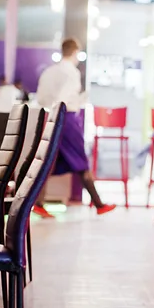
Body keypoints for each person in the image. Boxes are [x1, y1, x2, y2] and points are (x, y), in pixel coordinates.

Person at [35, 38, 116, 218]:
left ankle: (38, 202)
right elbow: (63, 98)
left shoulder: (49, 71)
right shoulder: (71, 72)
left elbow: (42, 99)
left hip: (51, 118)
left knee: (49, 162)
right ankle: (99, 204)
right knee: (80, 159)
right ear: (75, 52)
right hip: (67, 118)